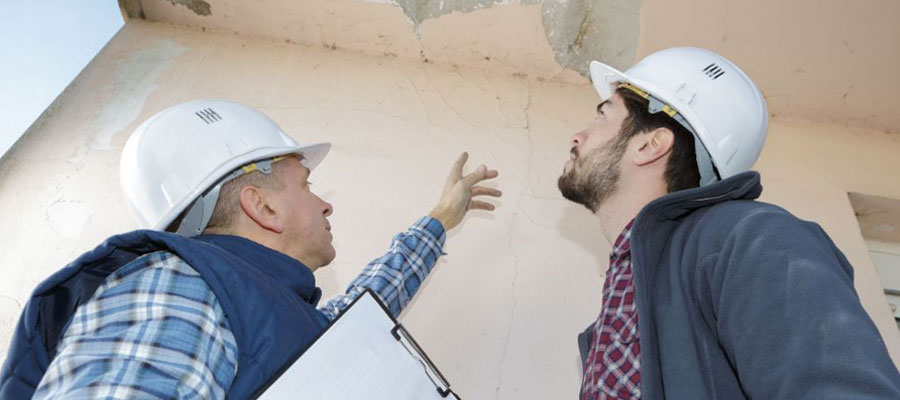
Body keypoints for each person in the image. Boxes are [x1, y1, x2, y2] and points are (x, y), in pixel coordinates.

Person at [0, 99, 501, 399]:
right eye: (306, 185)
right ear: (262, 206)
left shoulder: (252, 311)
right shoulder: (179, 288)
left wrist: (440, 219)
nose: (325, 205)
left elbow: (365, 308)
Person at [559, 47, 900, 399]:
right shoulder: (627, 298)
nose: (577, 136)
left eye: (603, 115)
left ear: (651, 144)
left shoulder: (754, 237)